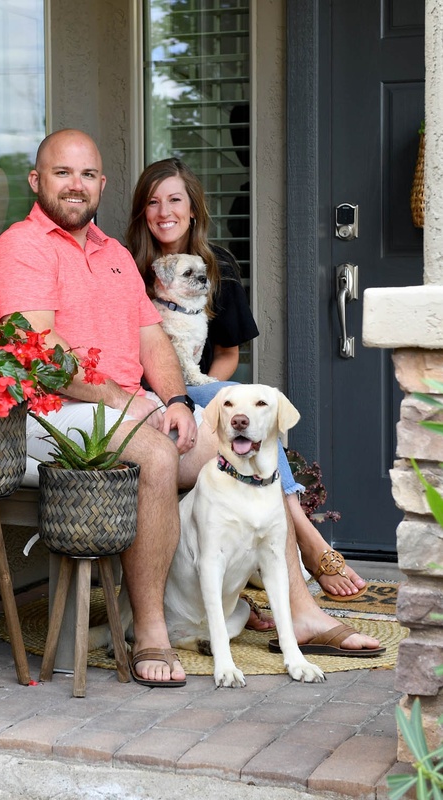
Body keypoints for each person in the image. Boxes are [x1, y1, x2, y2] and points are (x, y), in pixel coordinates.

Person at [0, 129, 382, 686]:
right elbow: (38, 354)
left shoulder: (116, 254)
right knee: (155, 455)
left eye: (88, 175)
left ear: (101, 183)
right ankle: (151, 633)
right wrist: (126, 402)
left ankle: (302, 611)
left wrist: (172, 399)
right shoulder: (22, 248)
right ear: (37, 180)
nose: (77, 186)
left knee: (242, 450)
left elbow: (152, 342)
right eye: (63, 173)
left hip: (124, 407)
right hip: (50, 413)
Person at [126, 156, 368, 603]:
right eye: (153, 202)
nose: (164, 212)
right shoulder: (126, 267)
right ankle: (309, 544)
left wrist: (203, 400)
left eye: (175, 200)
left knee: (242, 404)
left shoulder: (217, 265)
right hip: (141, 393)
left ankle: (288, 554)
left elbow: (228, 354)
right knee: (244, 406)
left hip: (196, 386)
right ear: (143, 211)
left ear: (193, 208)